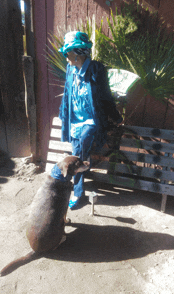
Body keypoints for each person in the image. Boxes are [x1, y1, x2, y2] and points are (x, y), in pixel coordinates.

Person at [58, 31, 122, 209]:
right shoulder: (71, 69)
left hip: (90, 122)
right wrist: (63, 115)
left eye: (67, 53)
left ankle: (77, 194)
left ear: (78, 53)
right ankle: (76, 185)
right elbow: (67, 94)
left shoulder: (96, 69)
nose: (66, 57)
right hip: (75, 121)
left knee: (78, 152)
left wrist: (116, 117)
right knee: (79, 153)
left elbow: (105, 97)